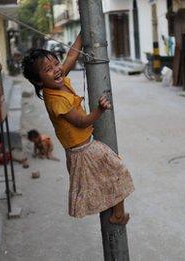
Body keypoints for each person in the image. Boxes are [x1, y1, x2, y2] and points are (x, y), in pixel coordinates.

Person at [21, 33, 134, 224]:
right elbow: (81, 122)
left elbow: (71, 57)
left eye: (56, 64)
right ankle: (117, 215)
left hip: (84, 147)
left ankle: (117, 213)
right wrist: (100, 110)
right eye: (48, 69)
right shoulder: (55, 100)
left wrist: (84, 32)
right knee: (115, 173)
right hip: (82, 151)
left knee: (108, 177)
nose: (57, 70)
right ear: (39, 81)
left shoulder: (58, 80)